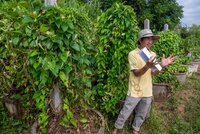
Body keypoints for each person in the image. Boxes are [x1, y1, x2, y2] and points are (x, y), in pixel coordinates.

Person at [112, 29, 176, 134]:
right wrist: (147, 66)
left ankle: (135, 130)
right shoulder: (133, 54)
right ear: (141, 40)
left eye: (151, 39)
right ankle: (116, 129)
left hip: (147, 90)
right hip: (135, 89)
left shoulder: (153, 54)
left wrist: (162, 66)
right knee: (126, 111)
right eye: (148, 39)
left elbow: (153, 72)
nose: (150, 41)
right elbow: (136, 73)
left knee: (142, 113)